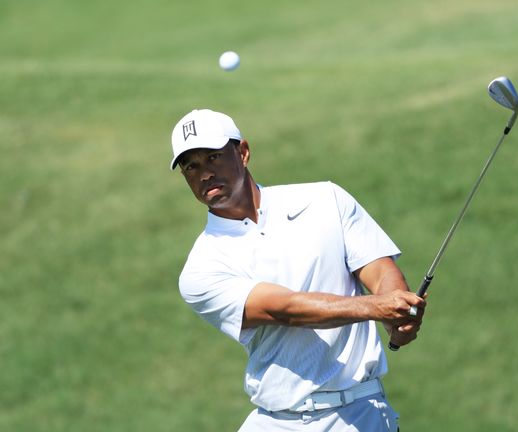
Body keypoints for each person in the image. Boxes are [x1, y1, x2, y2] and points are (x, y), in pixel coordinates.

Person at [170, 109, 426, 432]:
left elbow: (379, 270)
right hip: (278, 422)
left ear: (243, 152)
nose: (204, 173)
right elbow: (285, 309)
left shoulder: (325, 199)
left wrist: (396, 312)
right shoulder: (201, 268)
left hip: (362, 415)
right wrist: (378, 308)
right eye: (190, 166)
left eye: (213, 157)